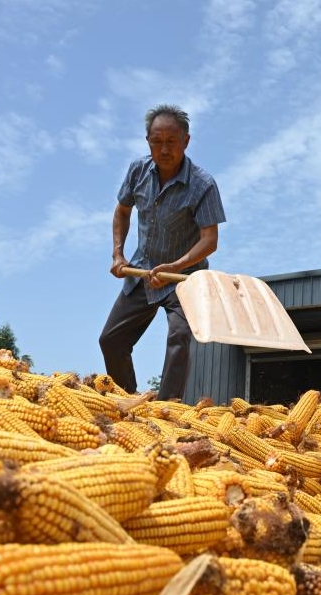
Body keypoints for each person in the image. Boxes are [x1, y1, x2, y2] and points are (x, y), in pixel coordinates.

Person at [99, 104, 226, 401]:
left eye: (171, 142)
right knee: (111, 340)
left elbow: (210, 240)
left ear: (186, 141)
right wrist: (118, 254)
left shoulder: (203, 184)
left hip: (185, 278)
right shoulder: (138, 171)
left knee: (179, 337)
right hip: (143, 272)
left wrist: (177, 266)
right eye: (157, 142)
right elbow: (122, 211)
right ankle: (130, 400)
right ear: (148, 142)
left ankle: (167, 408)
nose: (164, 149)